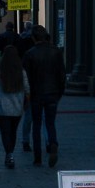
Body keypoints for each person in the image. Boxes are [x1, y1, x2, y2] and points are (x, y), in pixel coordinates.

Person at [23, 25, 66, 167]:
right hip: (52, 93)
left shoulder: (30, 54)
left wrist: (26, 95)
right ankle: (52, 143)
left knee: (36, 124)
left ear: (34, 38)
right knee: (50, 122)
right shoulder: (56, 52)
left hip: (36, 94)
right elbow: (62, 75)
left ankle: (37, 156)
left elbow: (26, 78)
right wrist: (59, 92)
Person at [0, 46, 29, 169]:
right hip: (17, 108)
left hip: (2, 107)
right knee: (13, 132)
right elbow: (27, 89)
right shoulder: (21, 71)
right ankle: (10, 152)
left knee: (5, 132)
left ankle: (9, 153)